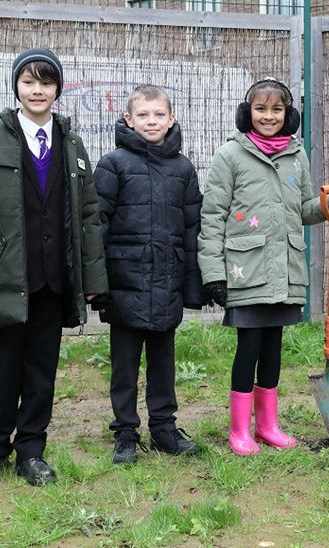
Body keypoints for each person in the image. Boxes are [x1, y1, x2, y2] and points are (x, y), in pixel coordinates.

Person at [0, 47, 108, 487]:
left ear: (58, 89)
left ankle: (31, 452)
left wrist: (93, 281)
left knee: (41, 370)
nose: (37, 90)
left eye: (46, 82)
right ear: (16, 87)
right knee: (3, 370)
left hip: (52, 281)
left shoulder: (72, 143)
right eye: (28, 82)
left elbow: (89, 216)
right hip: (4, 279)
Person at [198, 78, 329, 456]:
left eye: (277, 110)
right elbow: (212, 217)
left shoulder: (296, 156)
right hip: (246, 271)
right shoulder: (230, 156)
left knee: (273, 348)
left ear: (289, 116)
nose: (268, 116)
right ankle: (239, 430)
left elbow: (303, 208)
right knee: (248, 347)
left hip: (283, 271)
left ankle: (267, 425)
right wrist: (214, 273)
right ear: (246, 113)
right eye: (260, 109)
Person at [93, 84, 204, 464]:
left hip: (167, 283)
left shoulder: (183, 169)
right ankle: (125, 431)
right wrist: (98, 286)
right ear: (129, 119)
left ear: (171, 119)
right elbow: (97, 227)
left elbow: (192, 230)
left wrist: (193, 287)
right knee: (124, 365)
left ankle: (164, 429)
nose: (151, 121)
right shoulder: (113, 165)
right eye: (143, 115)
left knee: (163, 363)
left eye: (159, 114)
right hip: (125, 286)